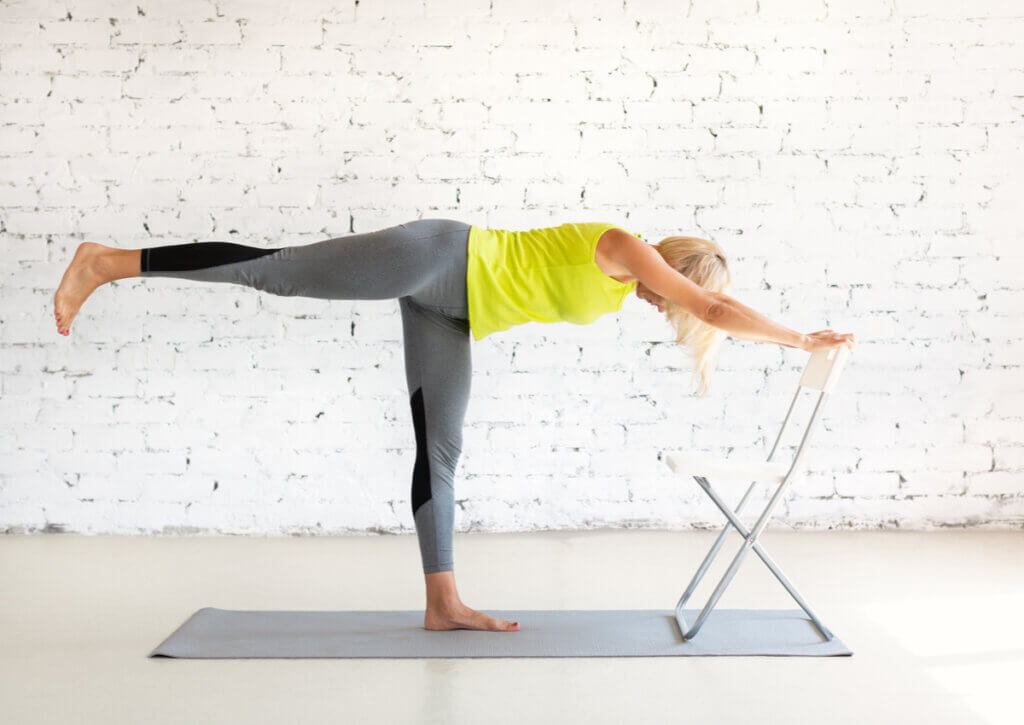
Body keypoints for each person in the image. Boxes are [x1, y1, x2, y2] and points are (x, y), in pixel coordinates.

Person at [53, 218, 855, 633]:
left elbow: (703, 310)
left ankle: (444, 601)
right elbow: (712, 308)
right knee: (281, 273)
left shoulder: (623, 288)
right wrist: (797, 338)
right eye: (680, 288)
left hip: (451, 305)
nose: (672, 303)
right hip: (436, 257)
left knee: (442, 445)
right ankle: (109, 261)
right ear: (676, 266)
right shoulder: (624, 245)